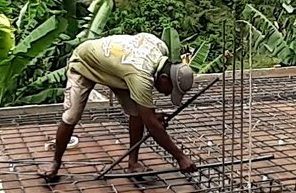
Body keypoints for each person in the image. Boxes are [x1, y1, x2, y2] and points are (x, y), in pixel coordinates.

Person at [41, 33, 198, 183]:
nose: (166, 94)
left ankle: (133, 163)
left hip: (117, 71)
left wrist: (149, 117)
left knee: (137, 114)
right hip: (84, 63)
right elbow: (151, 125)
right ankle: (55, 163)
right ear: (164, 78)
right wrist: (180, 157)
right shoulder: (141, 76)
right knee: (71, 116)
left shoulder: (160, 47)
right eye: (169, 89)